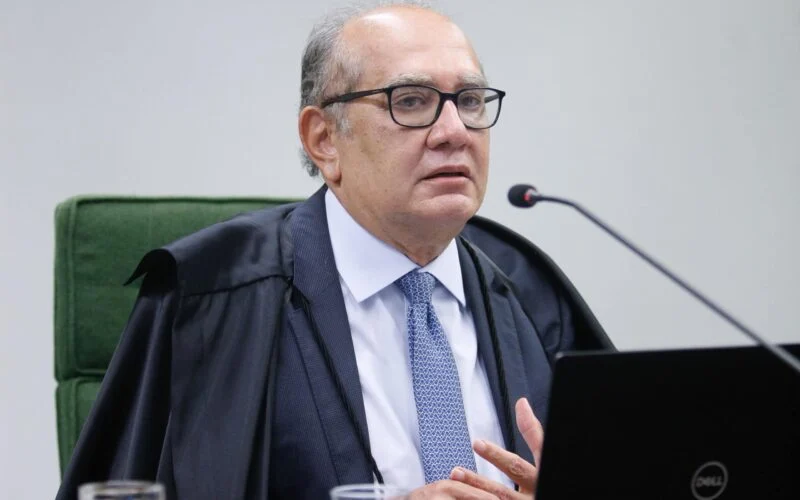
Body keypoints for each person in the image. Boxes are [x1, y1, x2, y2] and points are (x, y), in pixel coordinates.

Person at [56, 3, 612, 499]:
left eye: (469, 101)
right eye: (410, 101)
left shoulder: (532, 294)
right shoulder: (209, 300)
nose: (454, 130)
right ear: (323, 139)